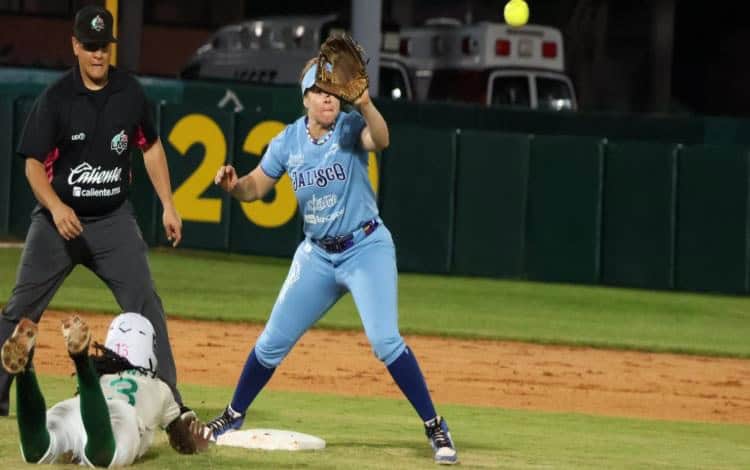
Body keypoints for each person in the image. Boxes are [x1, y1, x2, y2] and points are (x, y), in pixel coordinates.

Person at [207, 57, 458, 465]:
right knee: (271, 341)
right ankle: (232, 416)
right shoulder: (288, 141)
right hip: (318, 256)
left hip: (366, 248)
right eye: (321, 93)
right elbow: (255, 187)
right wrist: (234, 186)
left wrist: (365, 104)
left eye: (333, 93)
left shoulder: (349, 127)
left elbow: (382, 139)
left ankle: (435, 426)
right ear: (305, 98)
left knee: (384, 341)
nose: (328, 100)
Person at [0, 5, 188, 417]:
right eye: (90, 46)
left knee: (145, 303)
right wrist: (55, 206)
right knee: (20, 312)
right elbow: (32, 164)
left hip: (113, 222)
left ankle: (172, 403)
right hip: (57, 223)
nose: (98, 54)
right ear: (76, 46)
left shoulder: (129, 92)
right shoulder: (57, 98)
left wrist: (169, 205)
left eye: (104, 46)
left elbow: (151, 147)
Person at [0, 313, 207, 466]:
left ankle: (26, 370)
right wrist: (193, 444)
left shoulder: (103, 374)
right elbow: (180, 440)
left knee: (37, 449)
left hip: (80, 406)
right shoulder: (161, 388)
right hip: (119, 417)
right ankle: (81, 361)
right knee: (102, 456)